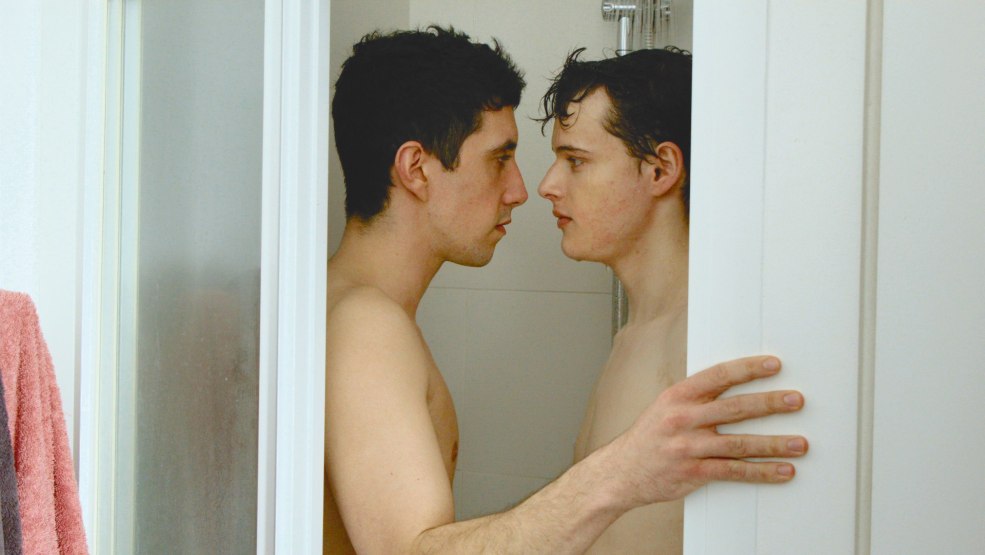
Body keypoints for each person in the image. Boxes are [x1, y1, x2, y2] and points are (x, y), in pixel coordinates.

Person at [325, 27, 808, 554]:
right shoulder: (366, 323)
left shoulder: (353, 311)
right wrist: (620, 473)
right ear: (415, 169)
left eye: (575, 161)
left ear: (662, 170)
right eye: (499, 158)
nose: (527, 189)